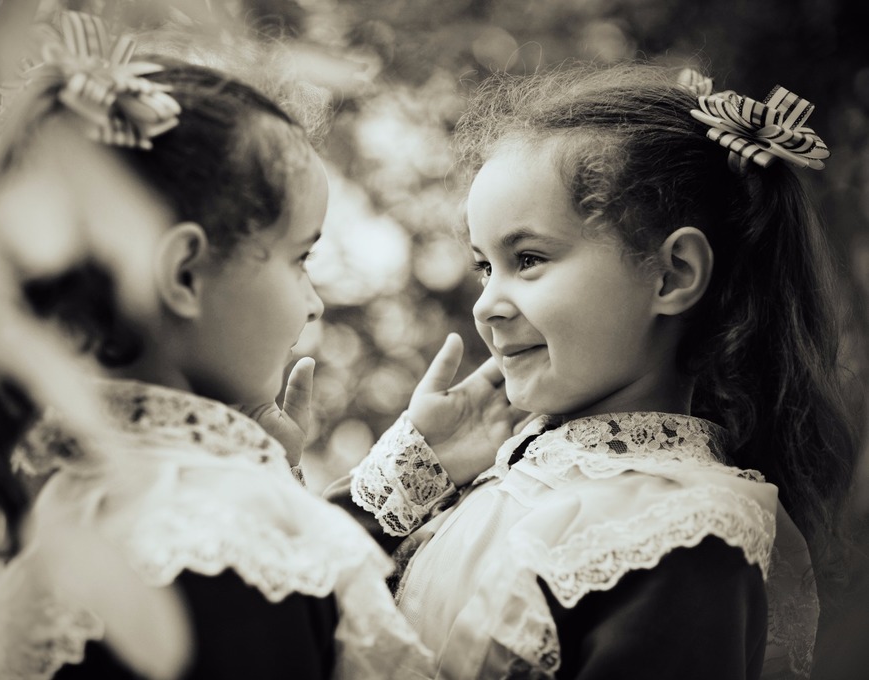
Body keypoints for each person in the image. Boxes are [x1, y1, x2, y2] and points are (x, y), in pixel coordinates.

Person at [0, 10, 432, 680]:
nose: (313, 302)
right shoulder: (219, 539)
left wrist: (266, 467)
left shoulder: (31, 505)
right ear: (183, 275)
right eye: (299, 258)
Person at [332, 62, 858, 679]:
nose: (485, 305)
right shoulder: (498, 482)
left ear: (673, 274)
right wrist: (417, 470)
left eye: (528, 258)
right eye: (484, 267)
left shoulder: (684, 530)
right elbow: (287, 607)